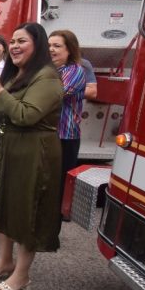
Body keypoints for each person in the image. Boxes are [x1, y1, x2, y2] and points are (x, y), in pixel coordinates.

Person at [0, 22, 64, 290]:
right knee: (5, 204)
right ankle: (5, 261)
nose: (15, 46)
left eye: (22, 41)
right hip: (10, 147)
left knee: (28, 211)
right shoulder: (17, 73)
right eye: (13, 41)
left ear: (37, 45)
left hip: (35, 153)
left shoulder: (47, 77)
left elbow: (26, 114)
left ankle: (22, 274)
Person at [48, 30, 87, 194]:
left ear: (69, 49)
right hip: (49, 134)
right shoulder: (50, 70)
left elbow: (56, 94)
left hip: (65, 136)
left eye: (57, 46)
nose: (51, 49)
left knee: (59, 185)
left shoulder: (75, 70)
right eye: (49, 45)